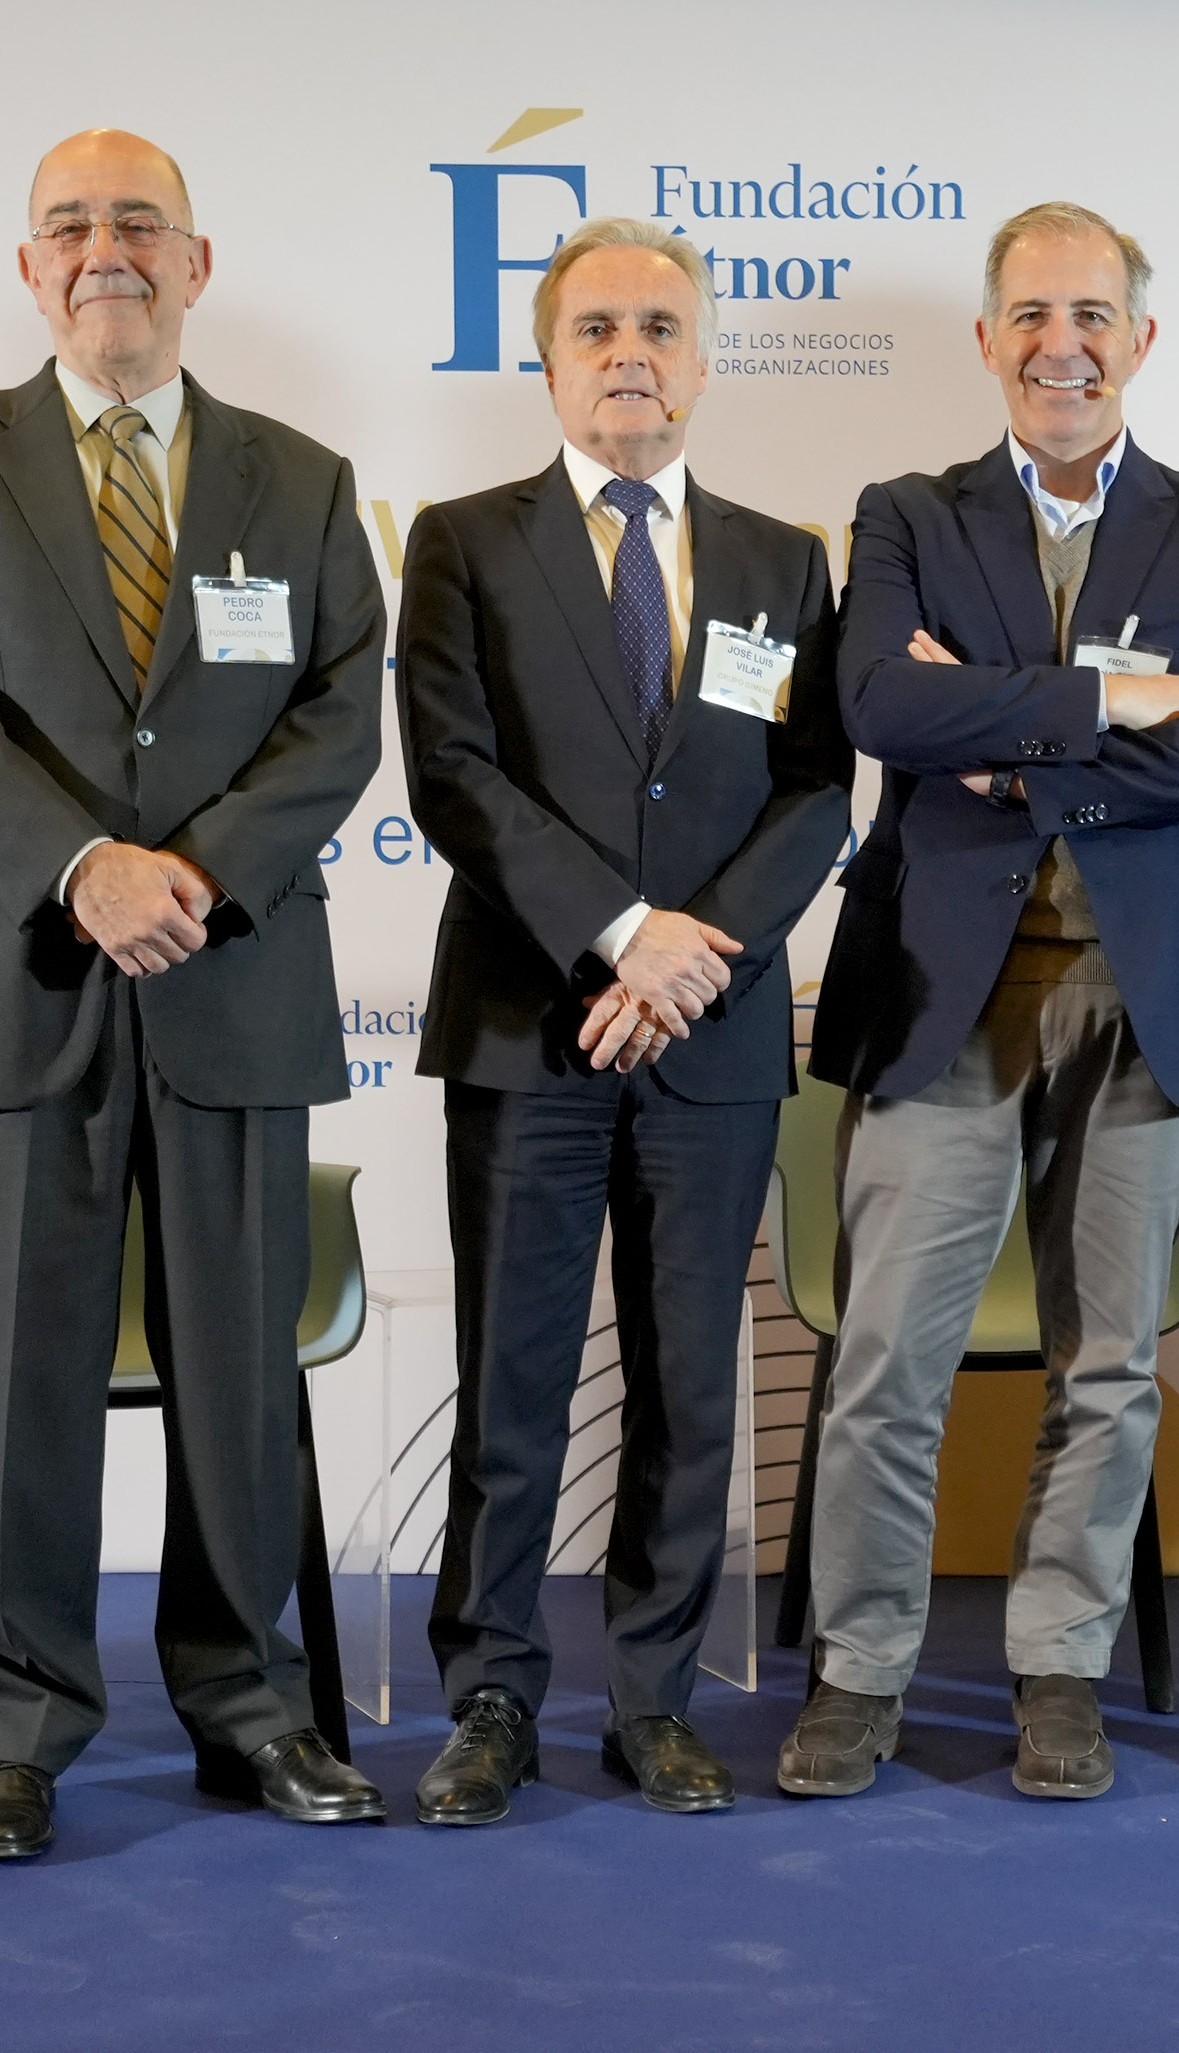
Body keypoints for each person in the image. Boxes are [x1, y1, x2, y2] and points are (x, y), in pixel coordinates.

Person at [0, 129, 389, 1859]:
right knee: (20, 1373)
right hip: (21, 973)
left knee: (241, 1369)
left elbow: (340, 710)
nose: (110, 250)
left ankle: (252, 1705)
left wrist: (200, 872)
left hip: (233, 974)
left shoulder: (304, 480)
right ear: (30, 268)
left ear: (197, 262)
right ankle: (14, 1727)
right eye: (73, 225)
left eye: (141, 224)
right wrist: (84, 863)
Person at [785, 202, 1179, 1801]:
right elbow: (881, 701)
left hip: (1149, 995)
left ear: (1140, 338)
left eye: (1090, 316)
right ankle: (861, 1668)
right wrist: (1118, 701)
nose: (1060, 346)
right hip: (945, 987)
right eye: (1030, 315)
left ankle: (1060, 1664)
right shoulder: (905, 514)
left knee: (1108, 1360)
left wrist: (1007, 750)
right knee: (887, 1359)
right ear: (987, 337)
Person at [394, 218, 851, 1822]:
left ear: (706, 360)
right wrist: (620, 935)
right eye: (596, 329)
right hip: (531, 1023)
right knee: (512, 1380)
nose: (630, 355)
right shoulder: (461, 540)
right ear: (546, 361)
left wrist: (693, 957)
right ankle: (493, 1695)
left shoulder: (785, 561)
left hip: (712, 1034)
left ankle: (655, 1697)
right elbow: (452, 772)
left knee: (691, 1388)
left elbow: (817, 790)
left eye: (660, 328)